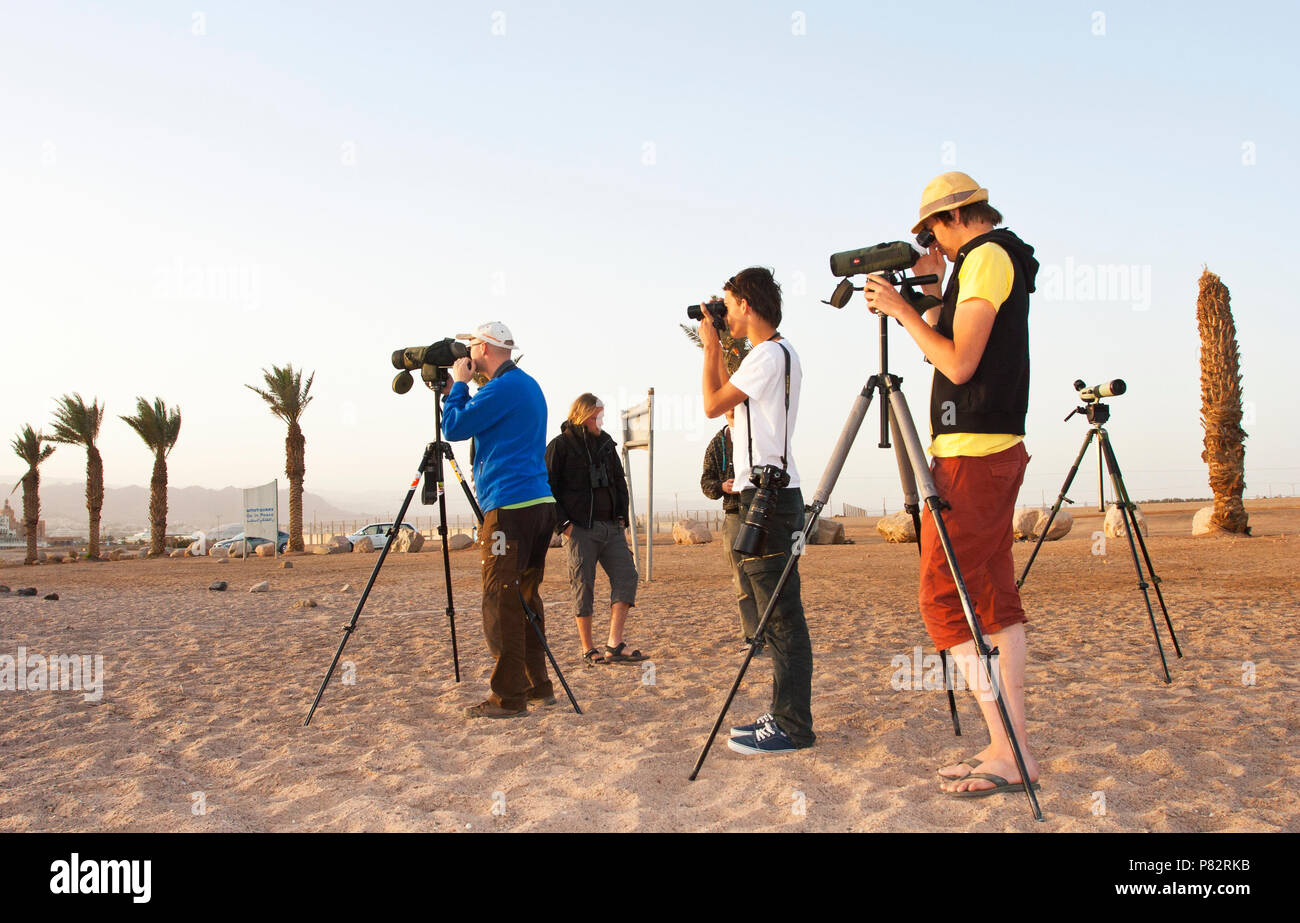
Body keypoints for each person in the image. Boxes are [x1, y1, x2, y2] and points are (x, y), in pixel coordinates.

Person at [863, 172, 1040, 796]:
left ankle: (1009, 750)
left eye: (933, 230)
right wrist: (936, 289)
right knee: (992, 601)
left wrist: (903, 310)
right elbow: (958, 343)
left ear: (957, 216)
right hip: (990, 449)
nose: (931, 241)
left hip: (972, 456)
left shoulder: (988, 257)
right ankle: (1008, 746)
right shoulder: (991, 260)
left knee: (943, 598)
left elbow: (958, 362)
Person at [699, 266, 814, 755]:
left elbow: (710, 405)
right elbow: (731, 408)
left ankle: (792, 725)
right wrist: (721, 346)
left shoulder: (767, 355)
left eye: (728, 304)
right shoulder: (774, 354)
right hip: (771, 493)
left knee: (782, 616)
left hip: (768, 498)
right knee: (778, 613)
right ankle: (785, 715)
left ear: (746, 304)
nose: (724, 313)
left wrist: (709, 346)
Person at [441, 321, 558, 719]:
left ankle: (509, 697)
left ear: (486, 348)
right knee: (524, 596)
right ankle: (538, 685)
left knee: (499, 598)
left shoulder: (503, 388)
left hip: (509, 508)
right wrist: (460, 391)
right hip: (538, 505)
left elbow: (454, 427)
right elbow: (482, 417)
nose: (467, 353)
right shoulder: (524, 385)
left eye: (472, 345)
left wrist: (458, 387)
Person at [544, 393, 645, 666]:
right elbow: (547, 487)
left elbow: (619, 482)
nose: (601, 419)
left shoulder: (606, 444)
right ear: (584, 415)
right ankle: (588, 647)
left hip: (611, 527)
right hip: (579, 530)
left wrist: (622, 516)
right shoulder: (560, 446)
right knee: (583, 586)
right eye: (597, 415)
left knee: (627, 577)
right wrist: (563, 525)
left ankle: (614, 643)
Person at [699, 408, 761, 648]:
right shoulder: (718, 443)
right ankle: (752, 637)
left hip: (761, 513)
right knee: (742, 580)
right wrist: (721, 486)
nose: (733, 408)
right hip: (734, 514)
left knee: (766, 576)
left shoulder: (759, 435)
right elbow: (706, 483)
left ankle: (774, 634)